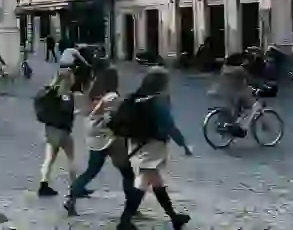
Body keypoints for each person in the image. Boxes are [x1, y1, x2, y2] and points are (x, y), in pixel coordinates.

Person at [119, 67, 192, 230]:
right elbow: (169, 125)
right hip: (153, 145)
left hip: (138, 142)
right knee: (143, 182)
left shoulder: (138, 96)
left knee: (156, 181)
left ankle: (174, 217)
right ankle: (124, 221)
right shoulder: (158, 100)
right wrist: (183, 144)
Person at [64, 66, 137, 216]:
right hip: (109, 137)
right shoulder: (112, 97)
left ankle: (71, 199)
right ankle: (132, 207)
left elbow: (87, 112)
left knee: (91, 170)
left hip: (94, 137)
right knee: (127, 173)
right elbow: (110, 118)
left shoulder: (95, 93)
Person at [33, 68, 77, 197]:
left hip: (50, 131)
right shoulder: (67, 94)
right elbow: (67, 111)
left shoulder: (49, 92)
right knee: (71, 160)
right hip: (63, 132)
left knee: (49, 159)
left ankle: (43, 185)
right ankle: (75, 187)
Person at [210, 53, 255, 132]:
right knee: (251, 107)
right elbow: (250, 80)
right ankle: (241, 127)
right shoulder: (240, 70)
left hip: (224, 92)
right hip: (236, 94)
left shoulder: (224, 68)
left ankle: (231, 123)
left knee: (236, 108)